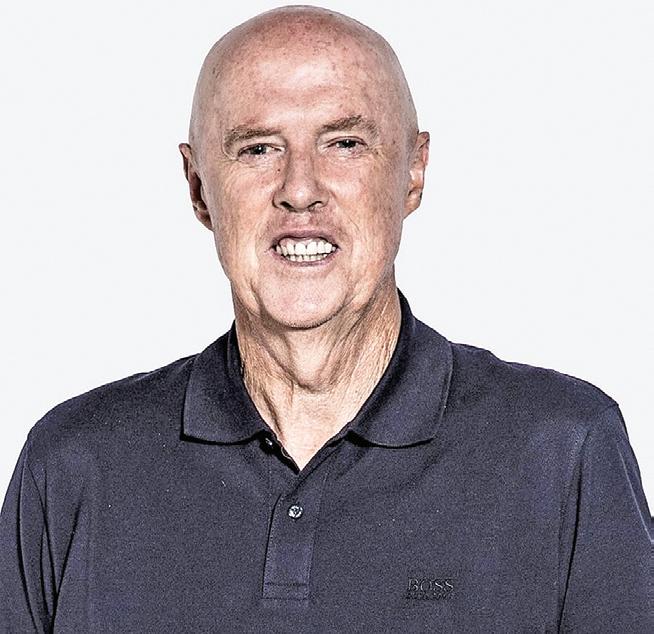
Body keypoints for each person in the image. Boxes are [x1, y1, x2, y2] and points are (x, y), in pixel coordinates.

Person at [1, 5, 651, 632]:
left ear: (413, 171)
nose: (300, 189)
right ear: (198, 186)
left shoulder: (563, 450)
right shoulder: (73, 464)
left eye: (344, 143)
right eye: (258, 148)